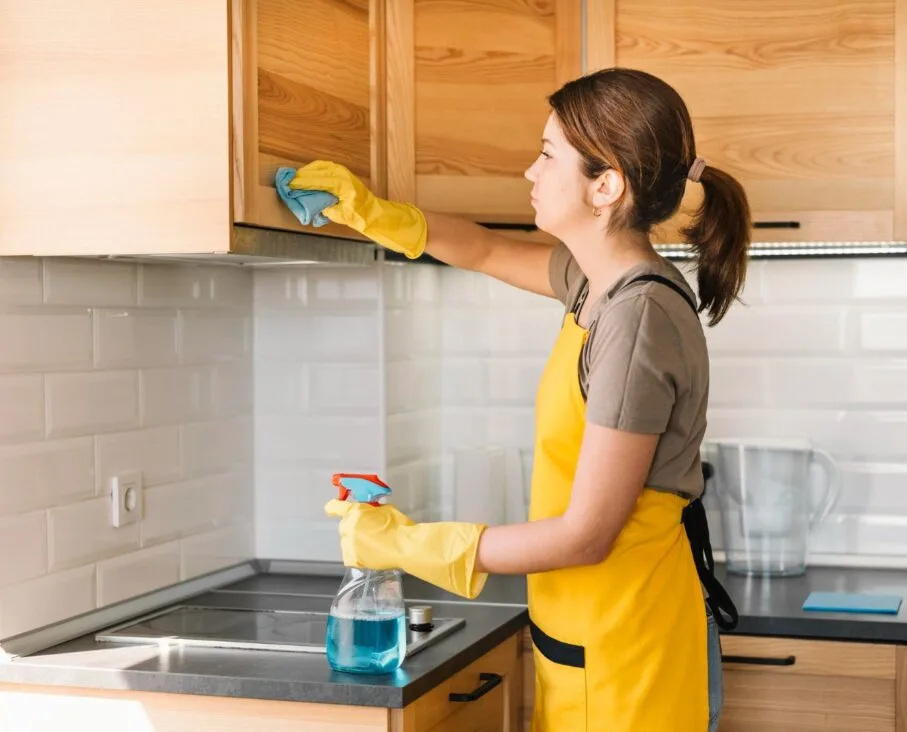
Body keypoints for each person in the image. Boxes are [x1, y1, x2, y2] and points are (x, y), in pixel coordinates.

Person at [293, 67, 750, 732]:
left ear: (606, 185)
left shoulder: (637, 315)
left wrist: (410, 545)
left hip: (625, 648)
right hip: (589, 632)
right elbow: (481, 248)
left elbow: (587, 534)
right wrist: (375, 215)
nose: (529, 173)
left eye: (546, 155)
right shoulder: (600, 282)